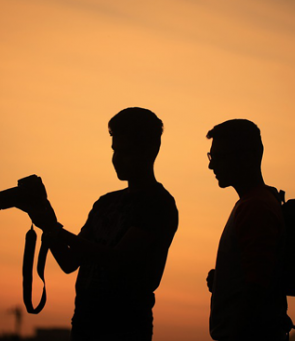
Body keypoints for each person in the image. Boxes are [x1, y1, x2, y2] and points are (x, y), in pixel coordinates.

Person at [22, 107, 178, 341]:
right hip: (84, 324)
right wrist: (47, 223)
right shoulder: (105, 203)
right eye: (115, 150)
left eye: (125, 152)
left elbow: (117, 259)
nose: (116, 159)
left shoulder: (158, 203)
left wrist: (55, 229)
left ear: (149, 151)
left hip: (125, 327)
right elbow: (69, 262)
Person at [205, 119, 290, 341]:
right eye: (211, 157)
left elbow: (257, 286)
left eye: (218, 157)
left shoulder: (255, 207)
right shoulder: (258, 202)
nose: (211, 166)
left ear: (247, 157)